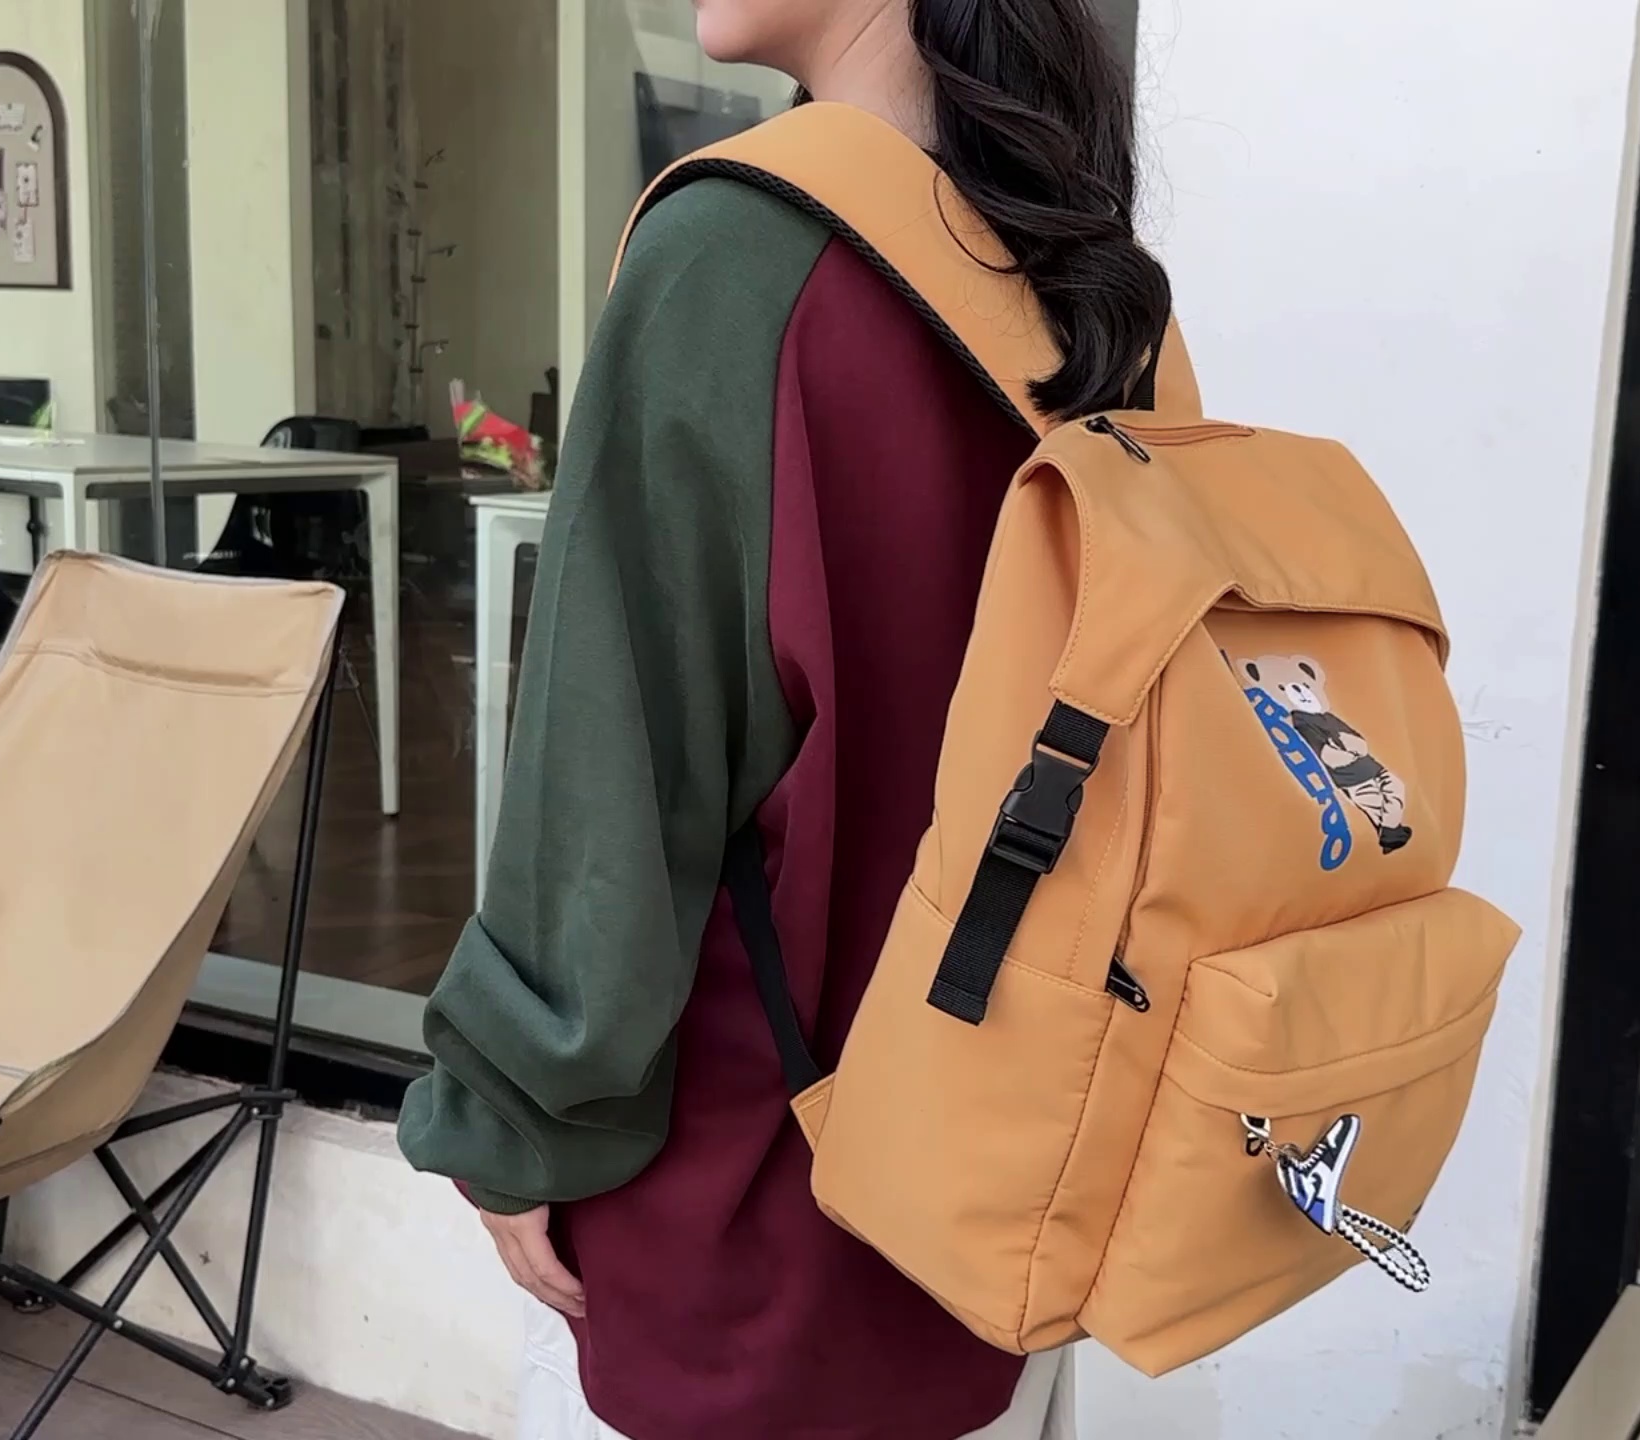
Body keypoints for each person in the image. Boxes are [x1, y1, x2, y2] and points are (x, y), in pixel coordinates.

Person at [394, 0, 1170, 1436]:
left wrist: (516, 1114)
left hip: (751, 1210)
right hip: (1019, 1196)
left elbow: (612, 776)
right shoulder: (1092, 288)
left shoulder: (739, 255)